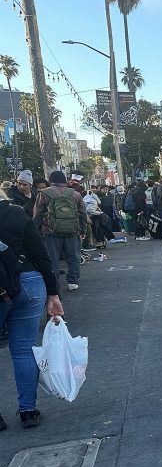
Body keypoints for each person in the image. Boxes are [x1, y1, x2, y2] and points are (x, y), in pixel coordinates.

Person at [0, 198, 65, 429]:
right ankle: (28, 410)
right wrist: (53, 294)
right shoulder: (17, 214)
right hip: (29, 282)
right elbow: (41, 255)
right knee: (24, 350)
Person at [33, 171, 88, 292]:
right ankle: (73, 281)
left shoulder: (43, 193)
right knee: (74, 257)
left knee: (52, 258)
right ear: (64, 180)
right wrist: (83, 229)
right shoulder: (75, 194)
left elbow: (37, 215)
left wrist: (35, 231)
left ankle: (54, 282)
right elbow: (83, 214)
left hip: (50, 231)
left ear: (51, 180)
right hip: (72, 231)